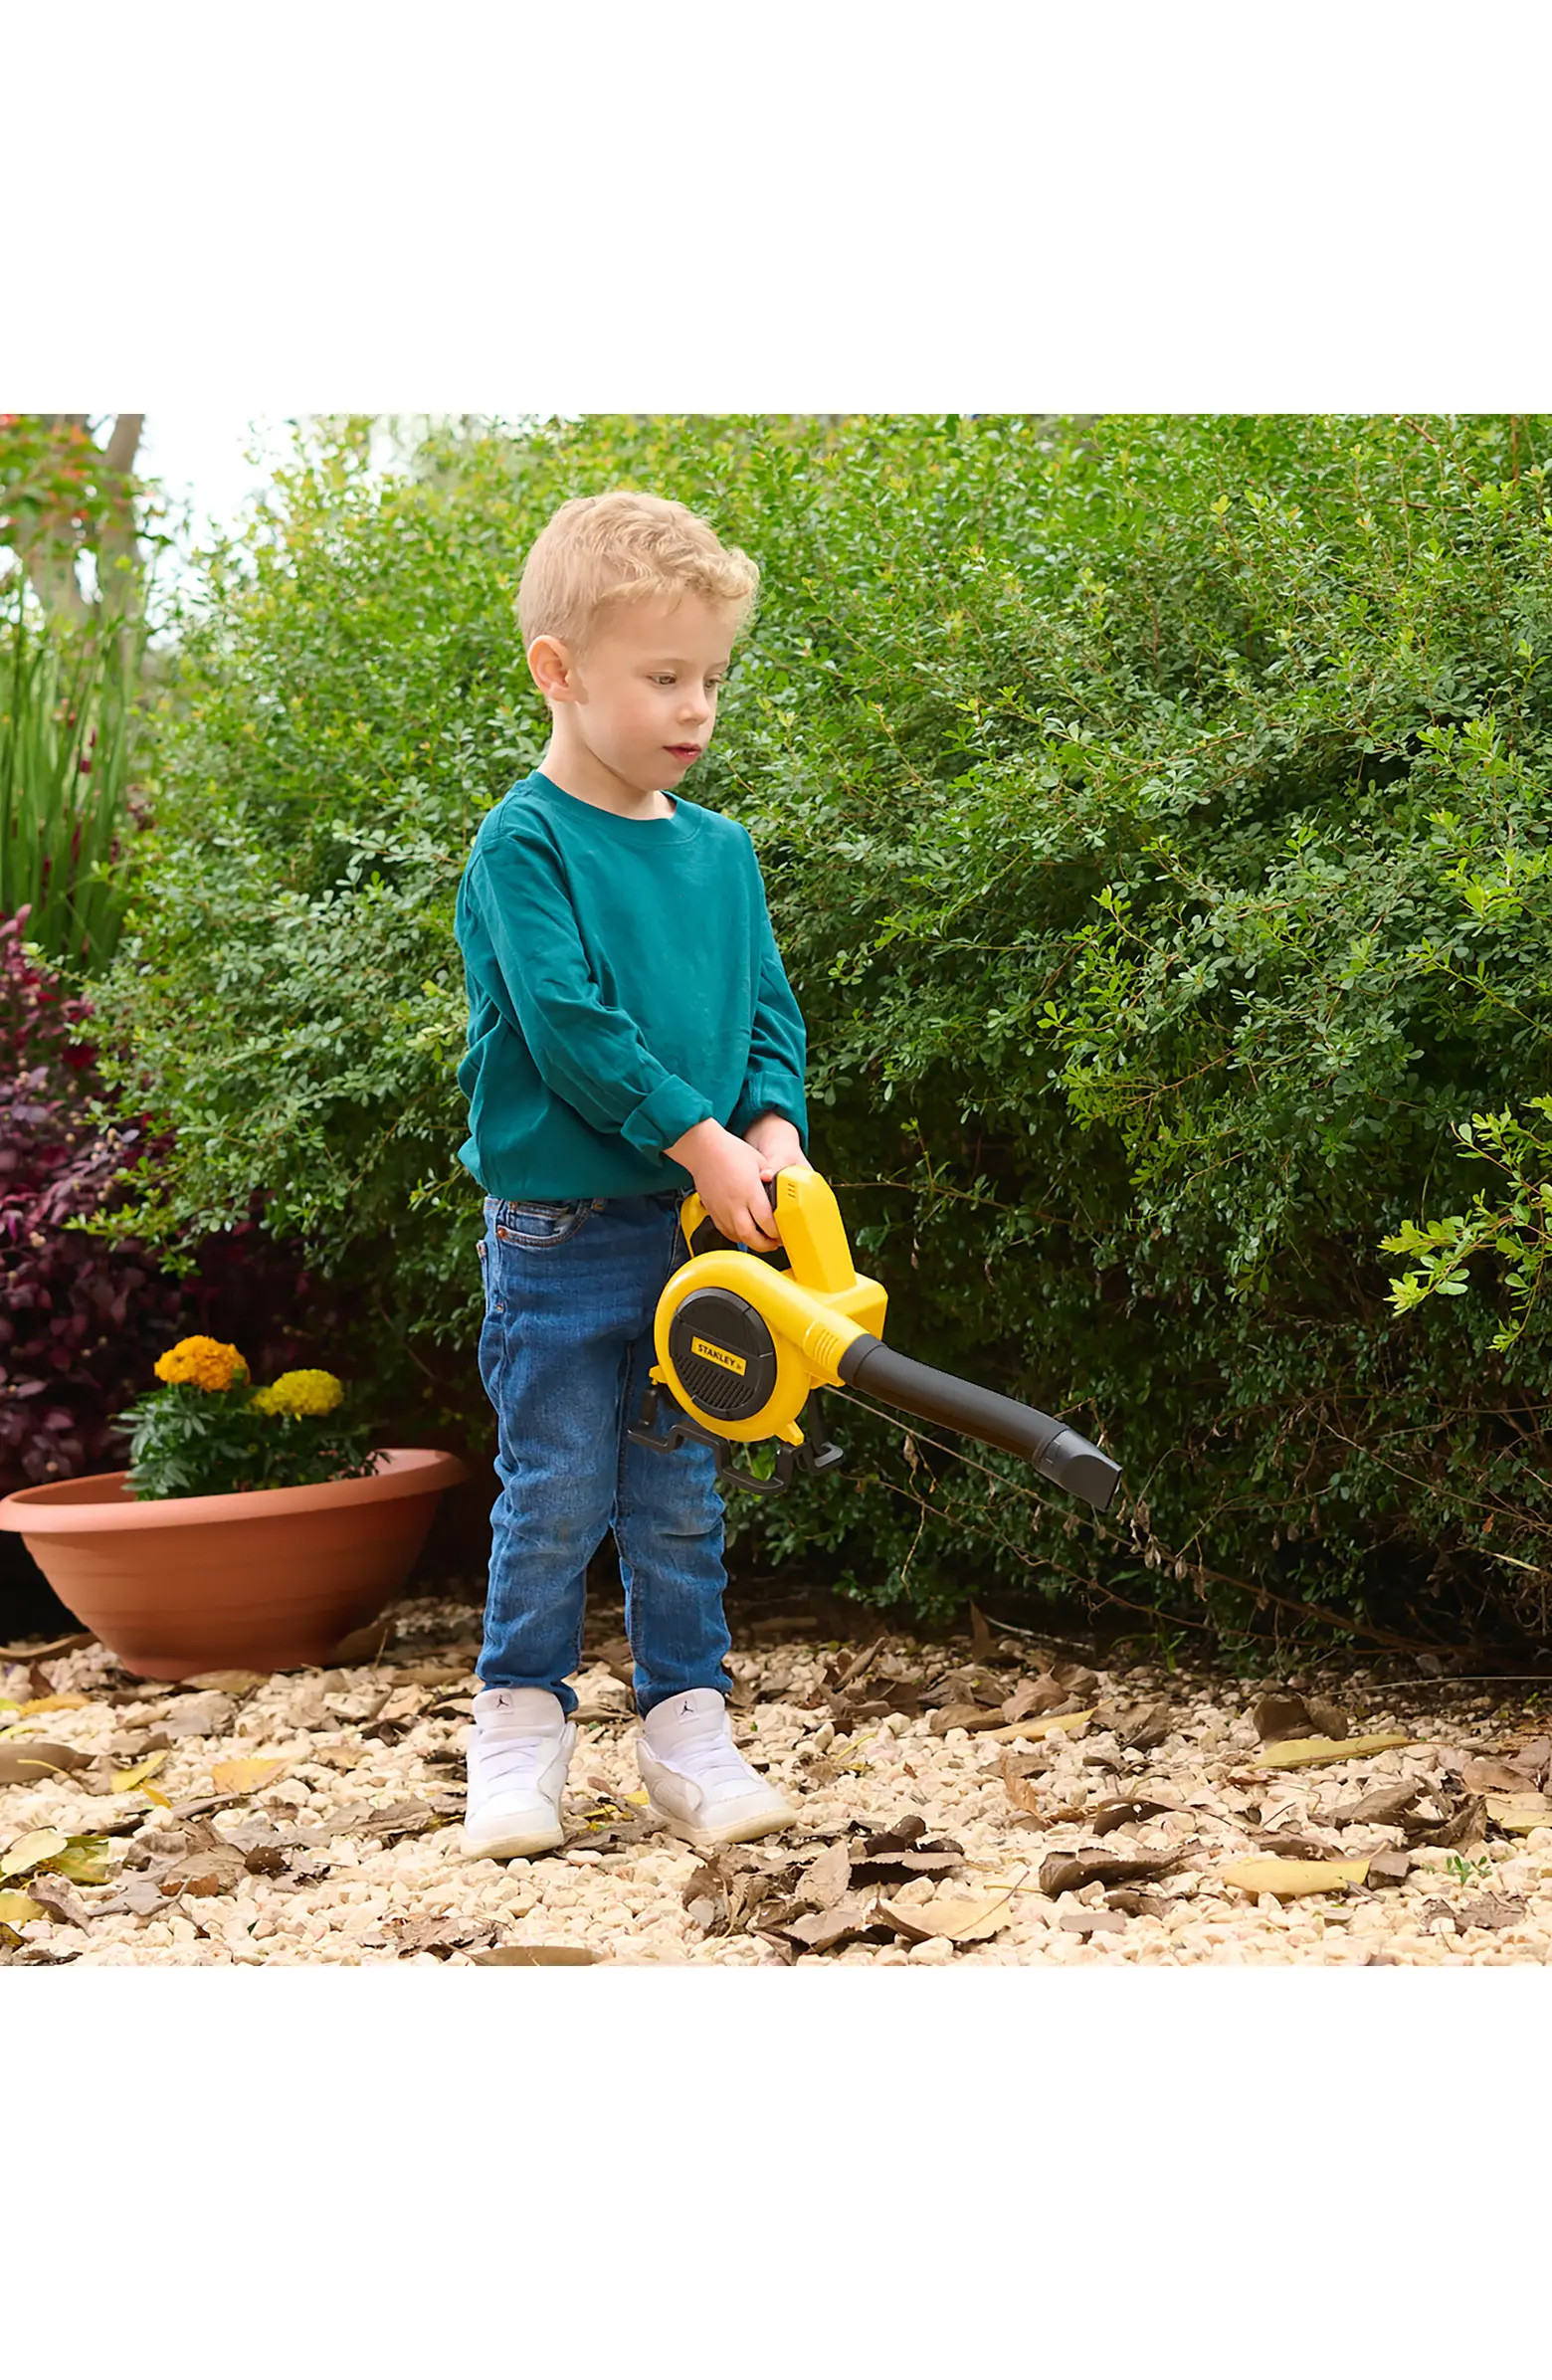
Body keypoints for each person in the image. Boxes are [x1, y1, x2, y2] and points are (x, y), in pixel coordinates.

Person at [453, 489, 809, 1862]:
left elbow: (768, 1010)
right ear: (559, 670)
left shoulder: (720, 853)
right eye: (664, 677)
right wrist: (701, 1137)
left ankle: (688, 1730)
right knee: (554, 1489)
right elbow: (570, 1027)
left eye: (711, 677)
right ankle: (518, 1729)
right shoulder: (525, 843)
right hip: (559, 1234)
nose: (696, 707)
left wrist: (770, 1127)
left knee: (677, 1495)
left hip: (692, 1232)